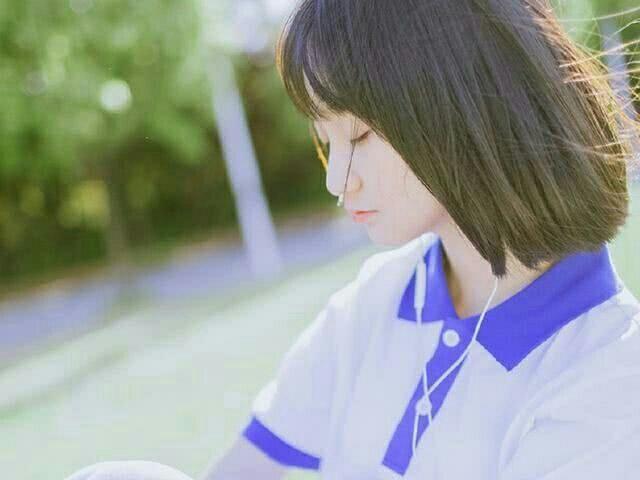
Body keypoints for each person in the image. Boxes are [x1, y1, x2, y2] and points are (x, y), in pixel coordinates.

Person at [65, 0, 640, 479]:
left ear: (458, 103)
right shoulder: (379, 298)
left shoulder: (606, 381)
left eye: (358, 136)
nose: (337, 179)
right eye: (325, 140)